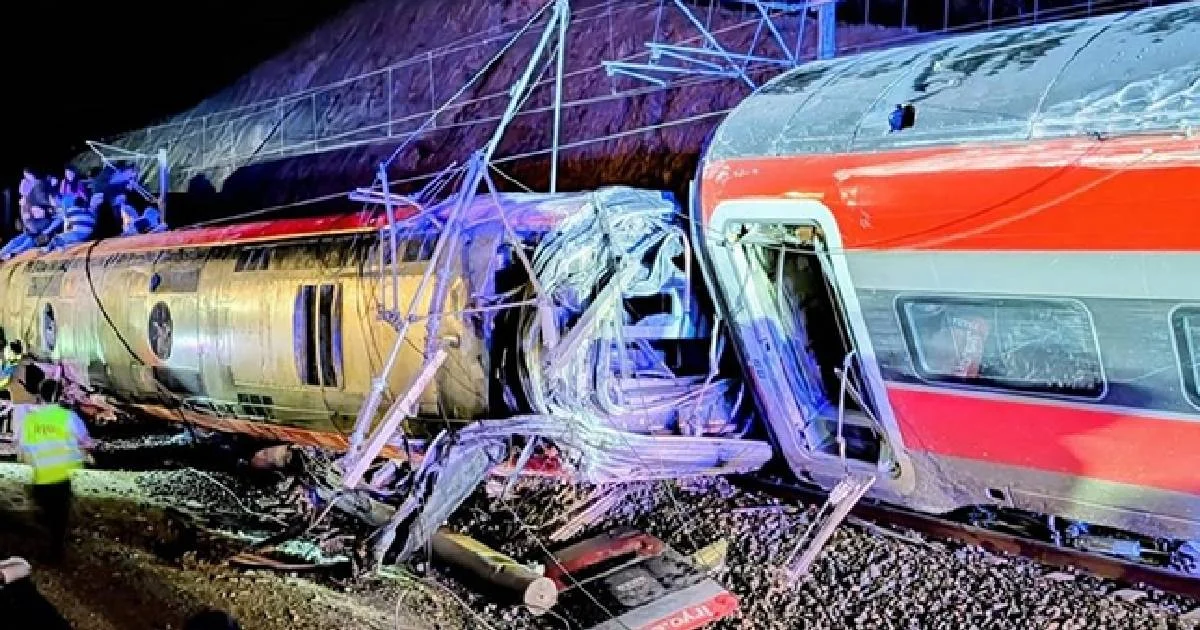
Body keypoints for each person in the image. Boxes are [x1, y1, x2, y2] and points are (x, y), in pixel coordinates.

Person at [15, 378, 94, 561]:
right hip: (61, 478)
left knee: (44, 514)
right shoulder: (67, 417)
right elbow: (86, 442)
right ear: (59, 396)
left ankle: (44, 546)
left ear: (39, 395)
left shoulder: (31, 421)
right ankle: (55, 551)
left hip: (41, 479)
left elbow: (22, 450)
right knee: (59, 519)